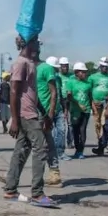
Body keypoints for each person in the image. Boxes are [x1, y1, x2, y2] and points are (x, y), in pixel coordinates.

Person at [2, 35, 56, 207]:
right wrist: (15, 121)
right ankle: (38, 194)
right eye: (36, 41)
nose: (38, 45)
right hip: (25, 115)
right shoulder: (20, 64)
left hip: (31, 112)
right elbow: (14, 92)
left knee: (21, 150)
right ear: (29, 43)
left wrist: (45, 114)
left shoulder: (30, 63)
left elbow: (32, 93)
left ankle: (10, 190)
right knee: (41, 148)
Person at [35, 55, 64, 186]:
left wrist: (51, 114)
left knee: (30, 144)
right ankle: (54, 172)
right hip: (40, 112)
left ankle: (13, 177)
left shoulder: (53, 76)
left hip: (45, 113)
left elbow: (55, 94)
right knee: (47, 142)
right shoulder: (42, 71)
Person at [65, 62, 93, 159]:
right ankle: (77, 148)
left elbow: (90, 97)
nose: (85, 74)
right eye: (83, 72)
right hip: (75, 110)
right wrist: (77, 104)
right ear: (77, 73)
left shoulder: (88, 84)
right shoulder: (71, 82)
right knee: (75, 131)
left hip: (86, 110)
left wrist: (93, 108)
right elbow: (69, 96)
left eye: (85, 72)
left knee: (82, 130)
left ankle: (80, 151)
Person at [89, 58, 108, 143]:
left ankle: (104, 142)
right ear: (100, 66)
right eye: (103, 66)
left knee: (105, 122)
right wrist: (92, 104)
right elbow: (89, 91)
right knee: (97, 123)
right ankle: (99, 139)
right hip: (96, 103)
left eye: (106, 67)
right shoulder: (93, 77)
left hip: (107, 103)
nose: (105, 68)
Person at [57, 57, 73, 148]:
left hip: (70, 100)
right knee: (61, 123)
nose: (65, 68)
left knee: (70, 123)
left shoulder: (72, 76)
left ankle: (70, 141)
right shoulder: (57, 75)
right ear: (60, 66)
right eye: (63, 66)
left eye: (66, 66)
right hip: (60, 101)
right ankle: (60, 142)